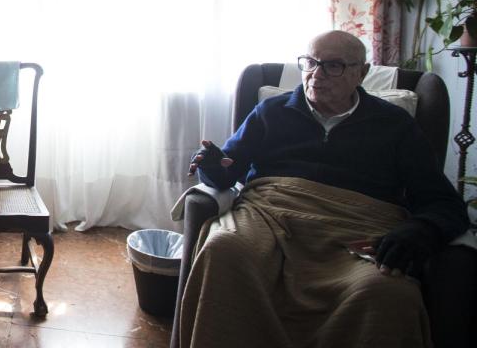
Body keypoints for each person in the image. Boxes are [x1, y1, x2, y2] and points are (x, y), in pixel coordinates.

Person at [181, 30, 469, 348]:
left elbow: (443, 202)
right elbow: (227, 171)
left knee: (387, 293)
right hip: (269, 218)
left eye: (332, 66)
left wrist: (421, 229)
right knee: (224, 250)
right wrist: (211, 165)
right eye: (310, 62)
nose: (316, 75)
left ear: (362, 72)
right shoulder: (272, 112)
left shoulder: (396, 126)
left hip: (355, 230)